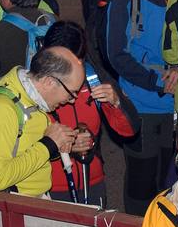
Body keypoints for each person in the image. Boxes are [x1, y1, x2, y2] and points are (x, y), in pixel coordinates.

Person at [100, 0, 178, 215]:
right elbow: (116, 55)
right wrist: (156, 81)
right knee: (141, 183)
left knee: (173, 185)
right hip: (142, 106)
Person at [37, 20, 136, 205]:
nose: (71, 74)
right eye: (62, 65)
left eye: (75, 63)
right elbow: (20, 150)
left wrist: (115, 102)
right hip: (49, 185)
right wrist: (62, 147)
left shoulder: (92, 78)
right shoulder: (36, 86)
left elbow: (129, 130)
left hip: (92, 181)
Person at [0, 45, 84, 196]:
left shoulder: (31, 98)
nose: (72, 101)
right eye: (71, 93)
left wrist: (56, 145)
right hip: (15, 207)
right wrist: (48, 144)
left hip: (31, 199)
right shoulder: (1, 108)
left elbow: (26, 148)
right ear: (49, 82)